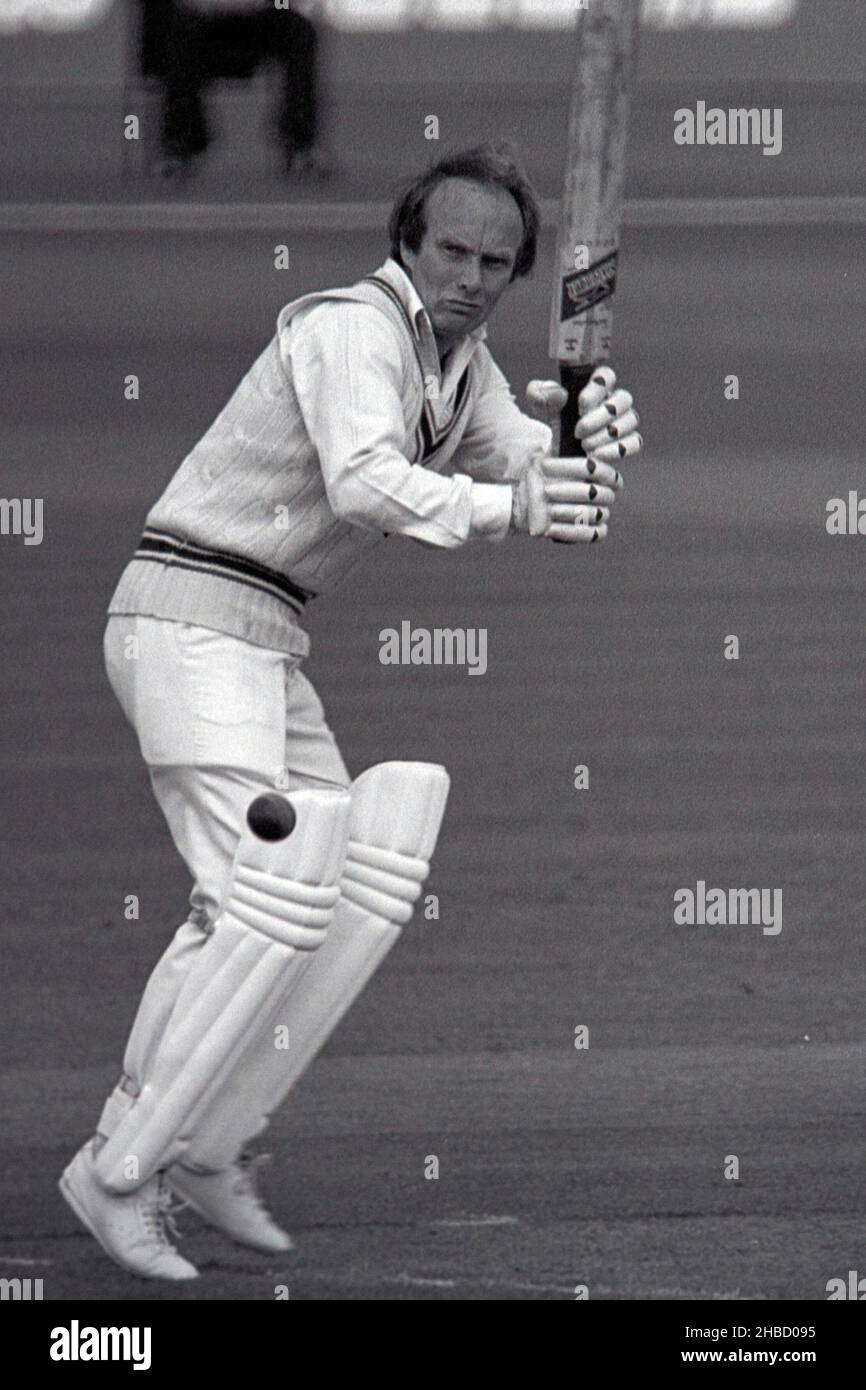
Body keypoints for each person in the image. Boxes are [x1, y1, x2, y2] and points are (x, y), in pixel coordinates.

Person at [60, 144, 643, 1280]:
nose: (470, 276)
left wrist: (585, 446)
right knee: (254, 899)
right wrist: (510, 505)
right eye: (451, 252)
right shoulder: (350, 330)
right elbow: (363, 481)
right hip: (188, 616)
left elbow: (531, 462)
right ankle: (119, 1162)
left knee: (345, 886)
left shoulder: (459, 365)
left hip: (264, 634)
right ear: (407, 243)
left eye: (494, 262)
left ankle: (207, 1138)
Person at [137, 0, 329, 177]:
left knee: (300, 30)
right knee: (176, 30)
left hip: (257, 20)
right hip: (196, 20)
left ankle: (299, 144)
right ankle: (179, 146)